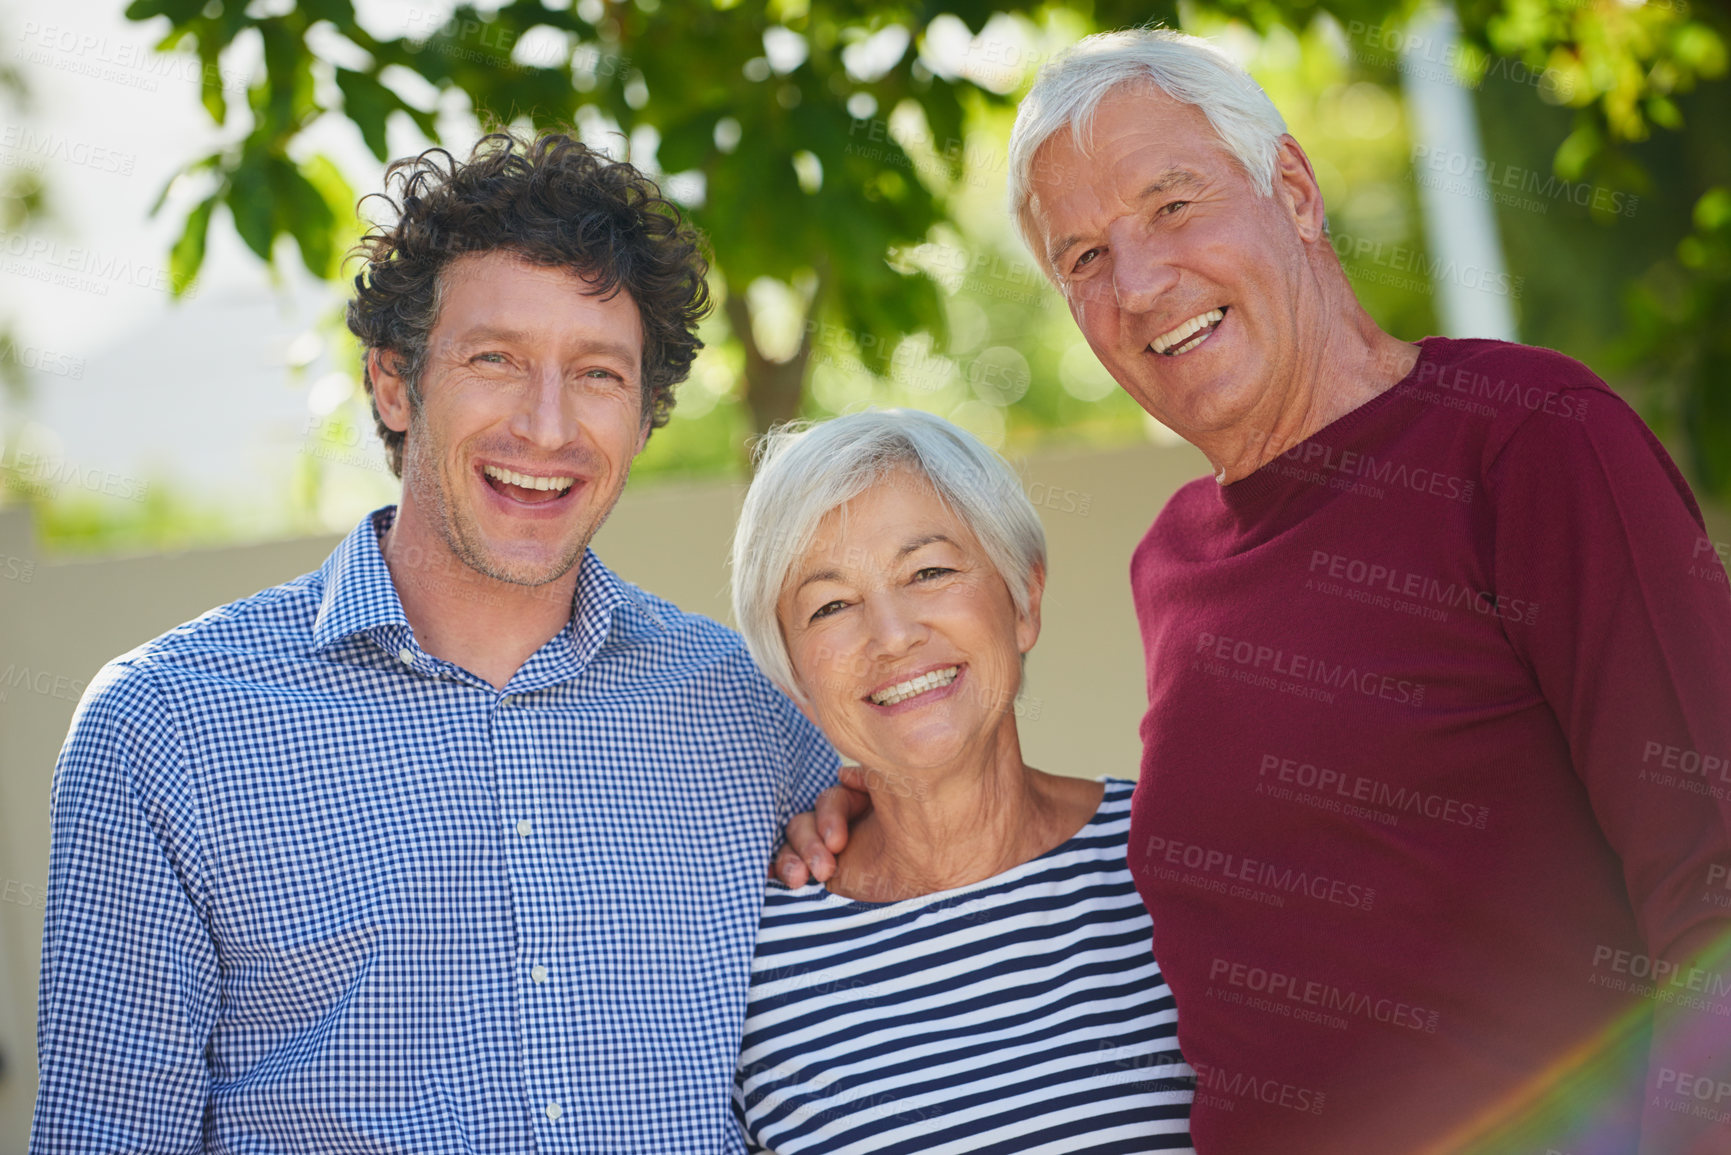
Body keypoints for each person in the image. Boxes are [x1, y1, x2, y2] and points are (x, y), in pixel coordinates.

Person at [781, 29, 1731, 1155]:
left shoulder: (1527, 438)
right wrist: (873, 790)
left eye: (1173, 205)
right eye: (1082, 258)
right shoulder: (1172, 561)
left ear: (1293, 190)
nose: (1137, 284)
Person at [32, 132, 835, 1152]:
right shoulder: (164, 730)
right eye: (495, 359)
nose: (546, 428)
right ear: (393, 385)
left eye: (596, 374)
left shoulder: (753, 714)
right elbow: (108, 1132)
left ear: (642, 417)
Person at [731, 409, 1194, 1152]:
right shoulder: (752, 965)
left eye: (929, 571)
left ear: (1023, 599)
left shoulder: (1176, 862)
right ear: (792, 680)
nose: (891, 634)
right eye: (830, 605)